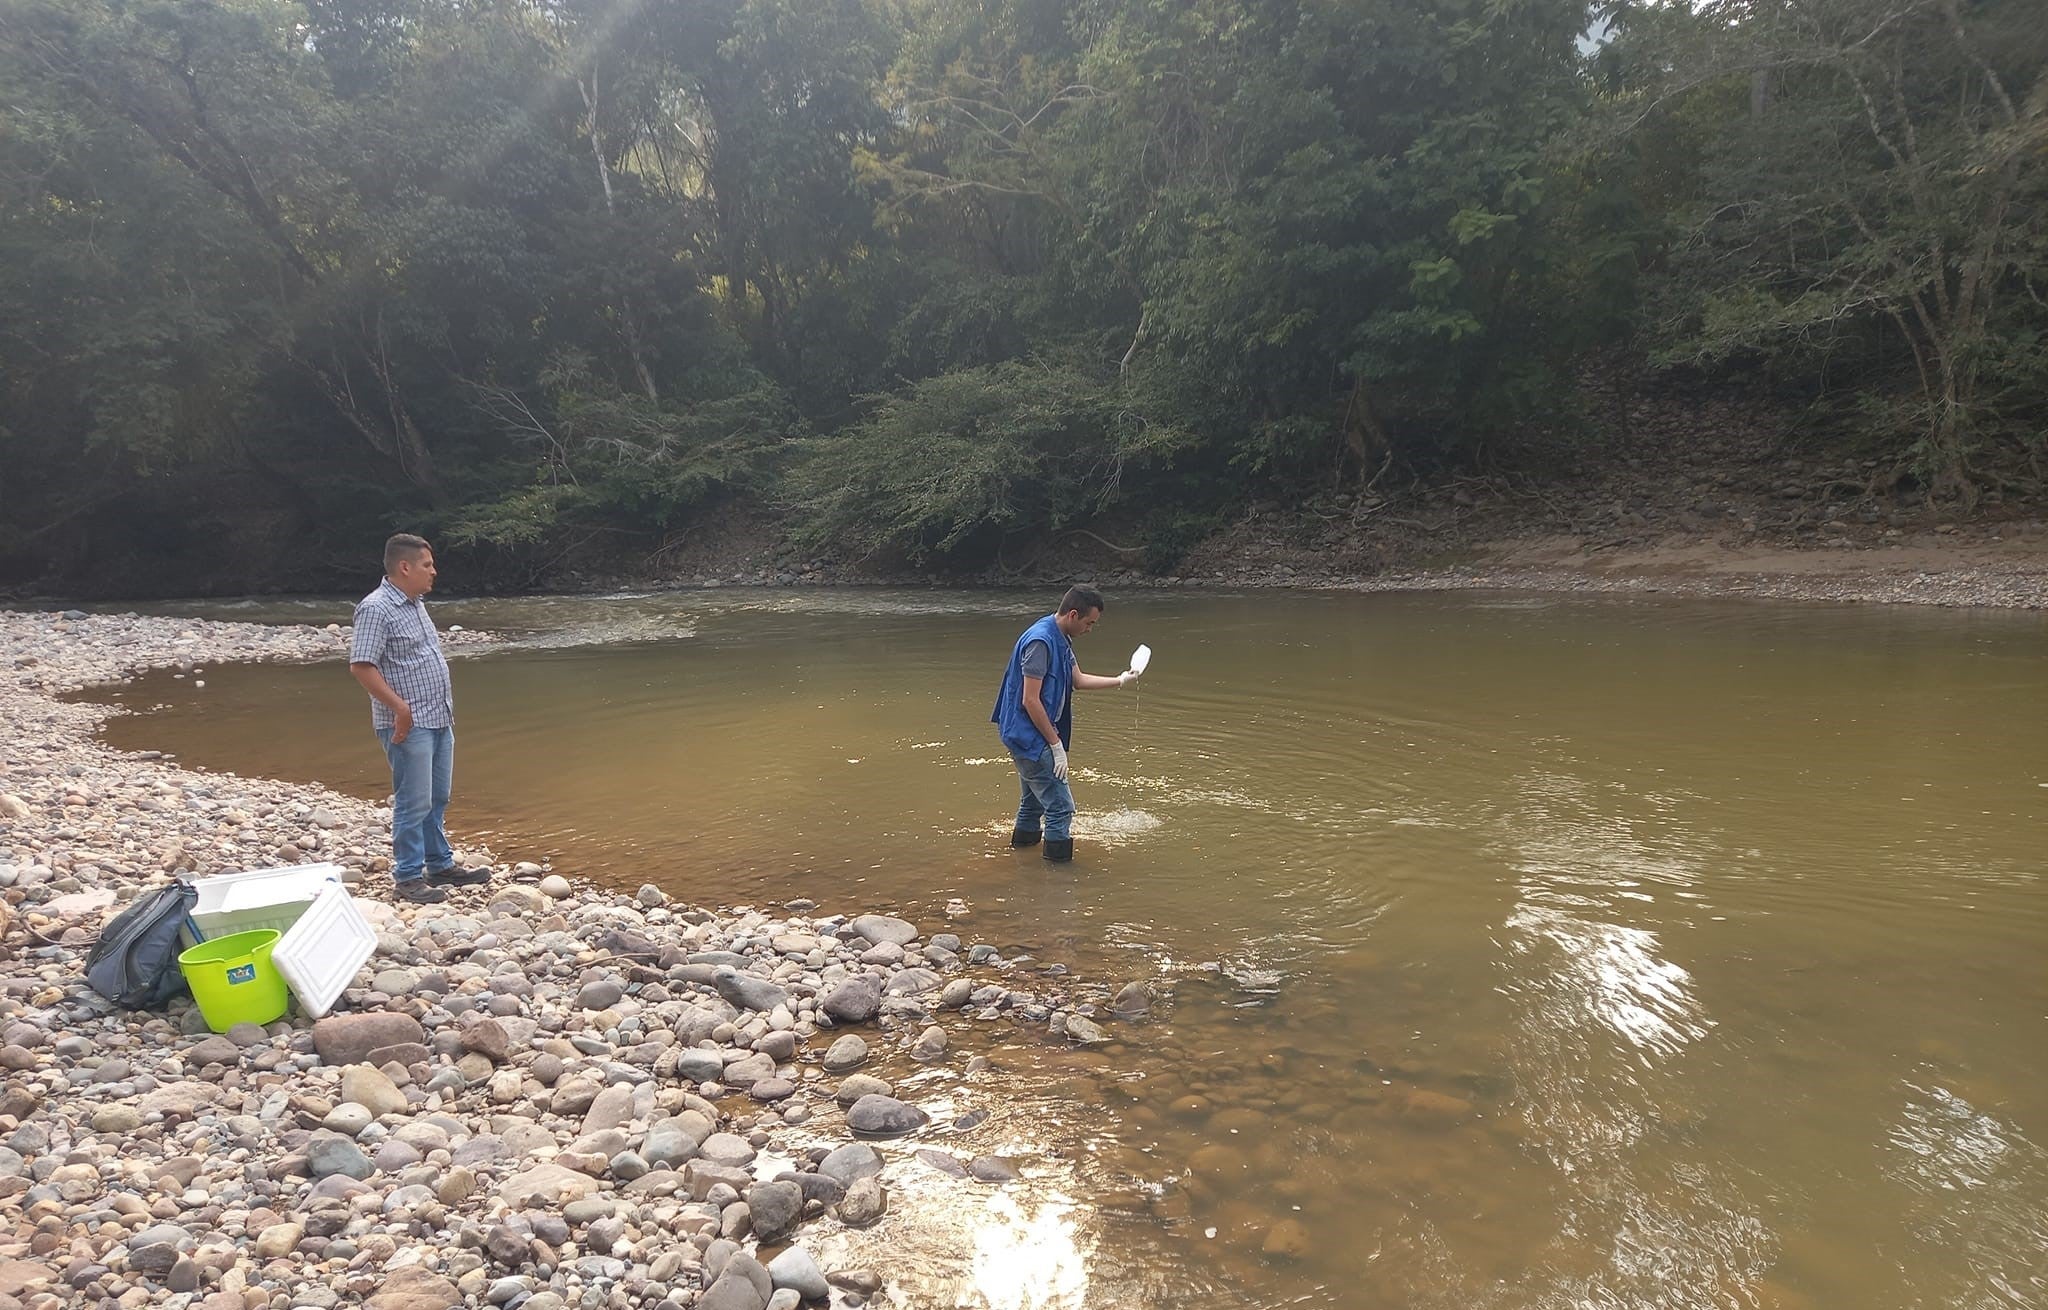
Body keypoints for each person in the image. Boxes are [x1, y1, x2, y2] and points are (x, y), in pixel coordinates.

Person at [348, 534, 492, 904]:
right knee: (413, 800)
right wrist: (400, 709)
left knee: (437, 796)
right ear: (404, 567)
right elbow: (361, 666)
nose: (434, 571)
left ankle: (439, 864)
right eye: (427, 565)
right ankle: (408, 877)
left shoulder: (415, 604)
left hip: (438, 715)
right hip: (407, 723)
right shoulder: (376, 608)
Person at [991, 585, 1143, 862]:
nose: (1090, 629)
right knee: (1061, 808)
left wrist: (1121, 679)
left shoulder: (1060, 636)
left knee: (1033, 802)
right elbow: (1030, 700)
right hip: (1029, 736)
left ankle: (1021, 863)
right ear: (1074, 615)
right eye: (1089, 623)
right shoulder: (1041, 642)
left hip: (1026, 734)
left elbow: (1078, 680)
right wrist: (1055, 744)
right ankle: (1058, 880)